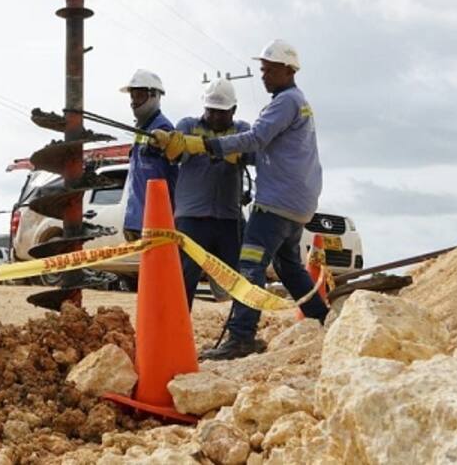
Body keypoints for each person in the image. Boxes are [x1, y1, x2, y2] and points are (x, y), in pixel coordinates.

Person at [153, 40, 328, 359]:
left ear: (289, 70)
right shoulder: (297, 102)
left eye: (269, 70)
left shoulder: (284, 102)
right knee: (288, 267)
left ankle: (241, 337)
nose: (263, 76)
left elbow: (256, 139)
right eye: (262, 70)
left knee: (249, 266)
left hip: (274, 204)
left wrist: (207, 147)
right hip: (296, 203)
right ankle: (323, 318)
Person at [160, 78, 252, 308]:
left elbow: (253, 154)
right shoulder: (188, 126)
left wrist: (229, 150)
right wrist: (170, 143)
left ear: (233, 110)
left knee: (237, 280)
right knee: (185, 277)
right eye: (211, 111)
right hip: (192, 218)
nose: (216, 117)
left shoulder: (242, 130)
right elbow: (174, 155)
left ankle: (239, 334)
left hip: (228, 219)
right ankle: (178, 331)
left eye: (222, 112)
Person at [120, 69, 175, 241]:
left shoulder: (164, 130)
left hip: (158, 220)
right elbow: (136, 179)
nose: (134, 102)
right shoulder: (141, 130)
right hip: (139, 218)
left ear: (154, 96)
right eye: (132, 96)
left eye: (139, 96)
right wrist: (131, 220)